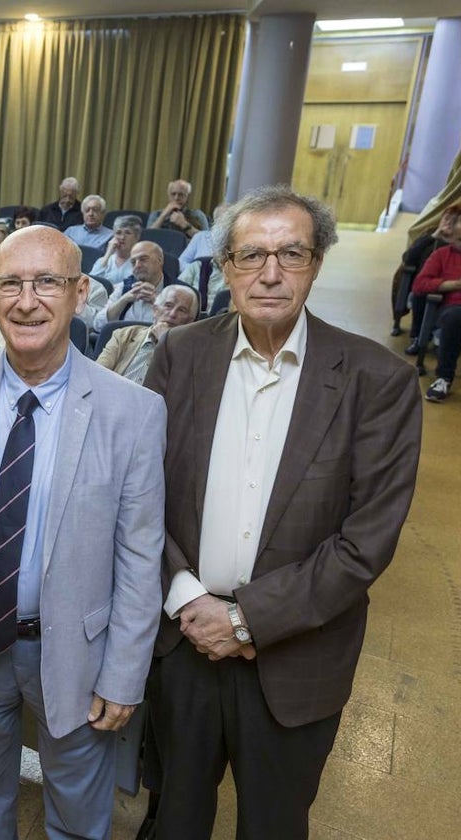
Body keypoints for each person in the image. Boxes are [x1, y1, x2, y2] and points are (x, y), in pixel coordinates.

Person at [142, 185, 421, 840]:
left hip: (295, 658)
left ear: (316, 263)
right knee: (173, 818)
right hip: (183, 647)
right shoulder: (180, 356)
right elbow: (138, 497)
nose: (270, 273)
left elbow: (365, 542)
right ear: (226, 267)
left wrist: (245, 619)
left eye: (290, 254)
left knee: (273, 824)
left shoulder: (376, 381)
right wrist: (186, 600)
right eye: (251, 255)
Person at [0, 224, 164, 840]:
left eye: (47, 282)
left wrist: (125, 672)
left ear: (78, 294)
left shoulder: (133, 411)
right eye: (11, 284)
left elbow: (140, 555)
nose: (27, 301)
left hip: (76, 647)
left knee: (77, 800)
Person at [96, 284, 198, 384]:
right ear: (155, 310)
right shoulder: (124, 335)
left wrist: (165, 341)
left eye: (182, 310)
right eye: (168, 305)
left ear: (190, 321)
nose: (172, 314)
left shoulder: (193, 354)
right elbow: (97, 373)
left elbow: (180, 388)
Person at [411, 216, 461, 402]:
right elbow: (420, 284)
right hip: (452, 308)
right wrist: (454, 285)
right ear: (452, 235)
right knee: (455, 317)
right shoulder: (442, 255)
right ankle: (444, 378)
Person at [95, 241, 173, 329]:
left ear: (160, 260)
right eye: (133, 262)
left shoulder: (175, 290)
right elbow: (98, 325)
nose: (137, 265)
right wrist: (124, 300)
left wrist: (158, 302)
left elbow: (181, 332)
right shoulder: (125, 287)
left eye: (143, 259)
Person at [90, 214, 142, 285]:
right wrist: (108, 253)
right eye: (118, 233)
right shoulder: (104, 260)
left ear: (137, 237)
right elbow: (91, 283)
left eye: (127, 233)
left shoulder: (139, 263)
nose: (122, 237)